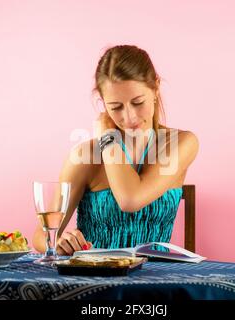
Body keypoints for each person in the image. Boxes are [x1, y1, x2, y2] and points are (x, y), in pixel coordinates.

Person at [33, 45, 199, 255]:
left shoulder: (180, 143)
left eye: (138, 102)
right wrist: (58, 243)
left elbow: (130, 199)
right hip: (95, 281)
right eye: (116, 107)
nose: (129, 117)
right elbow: (41, 236)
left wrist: (108, 139)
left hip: (156, 280)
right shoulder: (84, 158)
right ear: (103, 103)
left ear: (156, 88)